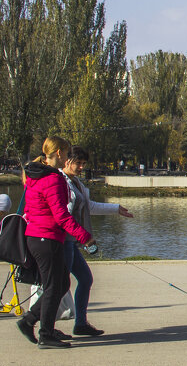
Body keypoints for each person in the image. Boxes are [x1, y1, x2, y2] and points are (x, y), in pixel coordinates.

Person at [16, 137, 92, 349]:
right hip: (46, 238)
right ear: (59, 153)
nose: (68, 157)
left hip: (40, 237)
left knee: (61, 284)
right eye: (67, 153)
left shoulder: (36, 175)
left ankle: (30, 320)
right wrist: (84, 236)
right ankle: (45, 333)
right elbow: (61, 215)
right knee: (53, 287)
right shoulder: (52, 179)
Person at [61, 147, 134, 337]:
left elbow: (89, 206)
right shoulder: (61, 182)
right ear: (67, 161)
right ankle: (37, 323)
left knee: (85, 279)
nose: (81, 167)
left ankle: (80, 323)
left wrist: (116, 208)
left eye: (84, 164)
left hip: (72, 241)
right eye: (78, 163)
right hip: (62, 241)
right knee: (59, 285)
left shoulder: (75, 182)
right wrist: (83, 236)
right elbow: (63, 215)